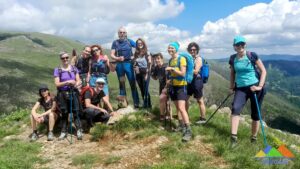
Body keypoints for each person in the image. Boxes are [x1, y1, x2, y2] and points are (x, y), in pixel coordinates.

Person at [228, 35, 267, 147]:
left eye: (242, 44)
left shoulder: (252, 55)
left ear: (245, 45)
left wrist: (260, 86)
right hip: (241, 88)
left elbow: (263, 71)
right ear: (234, 47)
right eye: (237, 45)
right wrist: (231, 87)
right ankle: (233, 138)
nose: (240, 46)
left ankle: (253, 138)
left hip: (255, 88)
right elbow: (232, 73)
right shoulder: (232, 58)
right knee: (235, 108)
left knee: (255, 114)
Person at [165, 42, 192, 142]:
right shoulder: (170, 60)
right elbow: (172, 74)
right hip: (173, 86)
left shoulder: (182, 59)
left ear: (176, 49)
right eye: (169, 48)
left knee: (181, 108)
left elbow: (182, 73)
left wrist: (172, 68)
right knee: (177, 107)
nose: (170, 49)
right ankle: (181, 126)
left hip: (181, 86)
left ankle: (188, 130)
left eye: (172, 48)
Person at [54, 51, 83, 140]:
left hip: (73, 91)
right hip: (62, 93)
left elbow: (79, 80)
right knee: (64, 112)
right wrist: (67, 82)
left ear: (69, 58)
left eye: (67, 57)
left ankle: (79, 130)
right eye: (63, 58)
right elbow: (57, 84)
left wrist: (77, 83)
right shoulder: (57, 70)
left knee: (76, 111)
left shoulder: (74, 68)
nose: (65, 59)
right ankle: (63, 131)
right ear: (61, 59)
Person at [110, 27, 139, 108]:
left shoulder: (130, 41)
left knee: (132, 83)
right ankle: (123, 104)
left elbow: (139, 47)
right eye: (120, 32)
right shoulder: (115, 43)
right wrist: (117, 58)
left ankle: (136, 103)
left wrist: (134, 56)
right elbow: (112, 54)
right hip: (119, 65)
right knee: (122, 84)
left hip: (128, 64)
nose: (122, 34)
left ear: (126, 33)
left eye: (123, 32)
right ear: (118, 34)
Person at [186, 42, 206, 124]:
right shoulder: (189, 59)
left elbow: (196, 71)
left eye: (194, 49)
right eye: (190, 49)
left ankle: (203, 118)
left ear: (197, 50)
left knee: (200, 100)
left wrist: (185, 70)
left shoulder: (198, 59)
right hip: (189, 81)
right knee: (185, 99)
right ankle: (186, 116)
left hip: (197, 81)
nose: (192, 51)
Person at [151, 53, 171, 120]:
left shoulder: (166, 66)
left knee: (167, 102)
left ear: (162, 58)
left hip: (167, 87)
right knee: (162, 101)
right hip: (161, 86)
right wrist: (151, 73)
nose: (157, 60)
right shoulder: (156, 67)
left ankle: (168, 116)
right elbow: (155, 78)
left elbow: (169, 79)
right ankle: (163, 115)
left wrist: (166, 88)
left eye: (158, 58)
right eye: (155, 59)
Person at [133, 38, 151, 108]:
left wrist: (147, 74)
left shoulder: (147, 52)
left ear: (143, 43)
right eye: (138, 43)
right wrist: (135, 66)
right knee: (141, 89)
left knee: (145, 89)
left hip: (145, 73)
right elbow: (135, 62)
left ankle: (149, 105)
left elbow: (150, 64)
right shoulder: (136, 53)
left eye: (141, 43)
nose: (140, 44)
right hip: (138, 73)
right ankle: (145, 104)